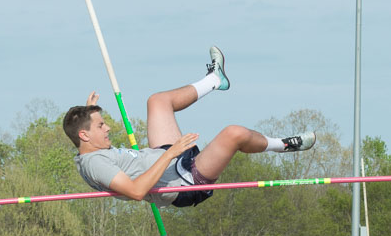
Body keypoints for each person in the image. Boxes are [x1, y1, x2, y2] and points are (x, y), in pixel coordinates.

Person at [63, 48, 316, 209]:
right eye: (100, 125)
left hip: (168, 158)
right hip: (184, 181)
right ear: (84, 135)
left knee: (157, 101)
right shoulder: (94, 164)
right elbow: (137, 192)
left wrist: (89, 111)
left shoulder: (88, 150)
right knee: (234, 134)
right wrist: (169, 154)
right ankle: (283, 145)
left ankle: (215, 79)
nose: (107, 128)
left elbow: (87, 136)